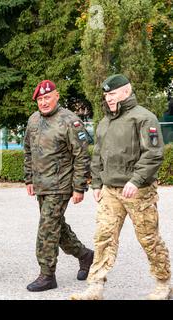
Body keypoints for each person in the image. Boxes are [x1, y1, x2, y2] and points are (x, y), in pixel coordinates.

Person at [71, 74, 172, 300]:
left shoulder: (144, 118)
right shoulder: (105, 122)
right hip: (110, 191)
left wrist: (135, 181)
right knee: (103, 236)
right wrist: (96, 182)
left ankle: (164, 283)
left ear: (126, 91)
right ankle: (95, 286)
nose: (108, 98)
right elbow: (98, 154)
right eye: (106, 94)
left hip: (139, 192)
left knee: (149, 238)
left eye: (113, 93)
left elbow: (154, 154)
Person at [24, 79, 94, 292]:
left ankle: (47, 275)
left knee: (47, 227)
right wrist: (29, 178)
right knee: (56, 227)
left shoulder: (69, 121)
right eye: (40, 99)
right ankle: (86, 256)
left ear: (56, 96)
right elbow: (28, 151)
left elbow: (81, 156)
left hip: (61, 185)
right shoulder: (33, 119)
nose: (43, 102)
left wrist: (79, 187)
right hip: (41, 185)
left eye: (47, 98)